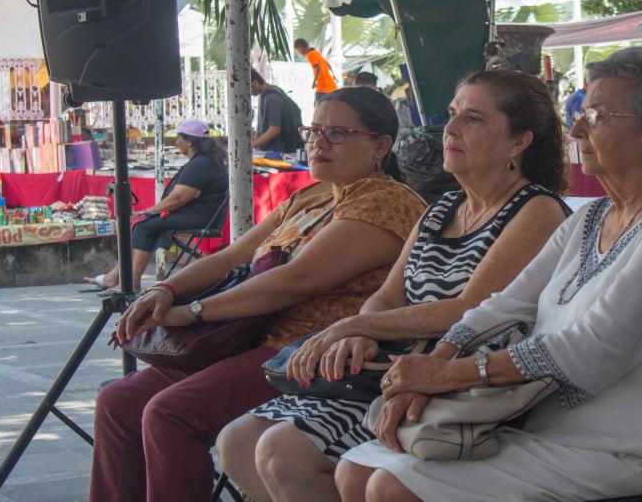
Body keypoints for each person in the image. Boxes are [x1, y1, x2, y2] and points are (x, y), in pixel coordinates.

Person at [335, 47, 642, 501]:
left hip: (630, 450)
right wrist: (434, 365)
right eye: (581, 112)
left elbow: (592, 347)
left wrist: (447, 377)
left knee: (391, 487)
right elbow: (503, 305)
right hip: (542, 431)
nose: (578, 127)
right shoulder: (592, 217)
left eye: (598, 116)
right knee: (355, 471)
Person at [215, 70, 571, 502]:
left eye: (473, 119)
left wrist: (352, 328)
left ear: (519, 141)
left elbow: (471, 308)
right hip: (390, 369)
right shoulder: (443, 207)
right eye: (453, 114)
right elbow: (387, 294)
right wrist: (363, 328)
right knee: (235, 441)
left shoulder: (536, 210)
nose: (451, 129)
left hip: (457, 381)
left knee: (281, 451)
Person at [88, 88, 428, 502]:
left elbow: (295, 280)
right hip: (249, 337)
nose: (319, 142)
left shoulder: (387, 201)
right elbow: (233, 255)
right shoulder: (313, 194)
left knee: (171, 413)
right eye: (313, 131)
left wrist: (193, 311)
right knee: (117, 401)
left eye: (337, 133)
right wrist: (165, 288)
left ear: (380, 145)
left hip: (306, 349)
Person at [83, 120, 227, 292]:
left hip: (201, 216)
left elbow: (178, 199)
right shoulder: (203, 162)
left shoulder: (201, 164)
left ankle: (131, 282)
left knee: (146, 224)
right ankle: (115, 277)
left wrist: (147, 211)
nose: (176, 142)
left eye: (178, 138)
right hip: (200, 214)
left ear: (189, 141)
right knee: (146, 223)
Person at [250, 70, 305, 154]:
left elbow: (274, 129)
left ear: (254, 82)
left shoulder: (270, 97)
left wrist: (251, 145)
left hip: (278, 152)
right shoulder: (271, 92)